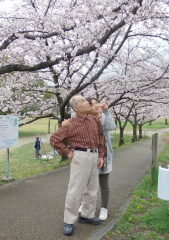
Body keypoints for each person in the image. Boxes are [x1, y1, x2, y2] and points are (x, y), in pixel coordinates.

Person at [49, 95, 105, 236]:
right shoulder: (70, 124)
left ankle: (87, 215)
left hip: (94, 155)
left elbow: (101, 137)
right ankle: (68, 220)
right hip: (80, 156)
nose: (87, 102)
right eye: (83, 101)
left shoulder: (94, 119)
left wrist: (100, 155)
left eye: (86, 100)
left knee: (92, 188)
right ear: (75, 108)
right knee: (75, 190)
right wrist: (67, 152)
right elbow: (54, 139)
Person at [63, 97, 116, 221]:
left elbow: (111, 127)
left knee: (102, 184)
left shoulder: (101, 118)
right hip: (88, 156)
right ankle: (82, 209)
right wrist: (66, 123)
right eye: (92, 104)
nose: (96, 105)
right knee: (85, 185)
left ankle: (103, 207)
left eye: (97, 103)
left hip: (103, 156)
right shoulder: (83, 120)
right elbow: (74, 117)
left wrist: (106, 112)